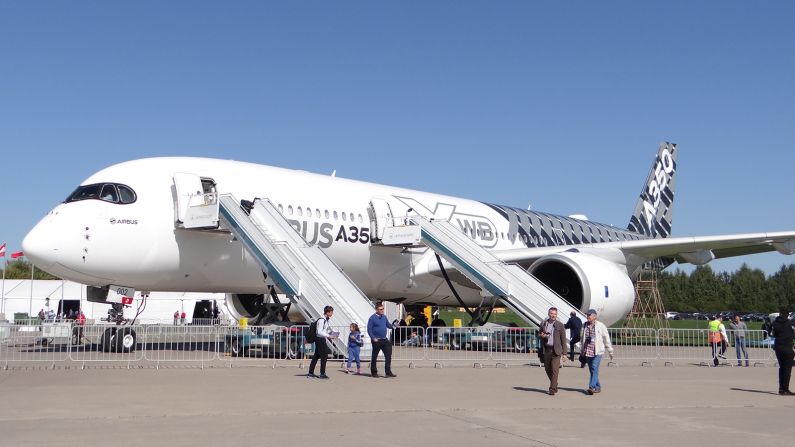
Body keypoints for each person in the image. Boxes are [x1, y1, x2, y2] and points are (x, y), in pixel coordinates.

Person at [581, 309, 614, 395]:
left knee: (594, 368)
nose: (588, 316)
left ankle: (591, 387)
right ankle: (598, 387)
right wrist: (582, 350)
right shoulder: (584, 325)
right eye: (587, 315)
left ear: (595, 316)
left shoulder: (601, 325)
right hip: (588, 351)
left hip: (597, 351)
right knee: (592, 370)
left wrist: (610, 350)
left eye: (589, 315)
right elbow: (582, 338)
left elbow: (606, 338)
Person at [538, 307, 567, 395]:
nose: (553, 315)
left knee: (555, 370)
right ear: (548, 314)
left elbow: (563, 340)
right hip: (547, 349)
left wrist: (564, 353)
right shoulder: (543, 324)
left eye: (555, 314)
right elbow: (539, 334)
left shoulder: (560, 325)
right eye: (552, 313)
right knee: (547, 369)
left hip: (556, 351)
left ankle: (552, 389)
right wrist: (541, 335)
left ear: (556, 314)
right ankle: (555, 383)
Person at [368, 302, 397, 378]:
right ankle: (374, 372)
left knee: (388, 355)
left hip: (384, 339)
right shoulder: (372, 318)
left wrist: (394, 326)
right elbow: (369, 329)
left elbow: (388, 325)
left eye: (383, 308)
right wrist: (373, 338)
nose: (382, 310)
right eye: (381, 309)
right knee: (374, 356)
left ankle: (388, 372)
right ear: (376, 309)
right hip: (376, 340)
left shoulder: (384, 317)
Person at [308, 306, 337, 379]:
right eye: (331, 312)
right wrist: (329, 336)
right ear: (327, 312)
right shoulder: (321, 320)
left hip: (322, 339)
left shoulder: (326, 320)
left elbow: (324, 330)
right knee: (324, 356)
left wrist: (331, 333)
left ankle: (310, 373)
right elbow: (319, 332)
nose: (332, 313)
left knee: (316, 356)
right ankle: (322, 374)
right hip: (319, 339)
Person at [770, 308, 794, 395]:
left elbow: (770, 333)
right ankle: (785, 389)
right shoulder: (790, 323)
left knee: (782, 368)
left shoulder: (774, 323)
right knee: (787, 370)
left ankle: (781, 388)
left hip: (778, 348)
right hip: (787, 348)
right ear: (787, 315)